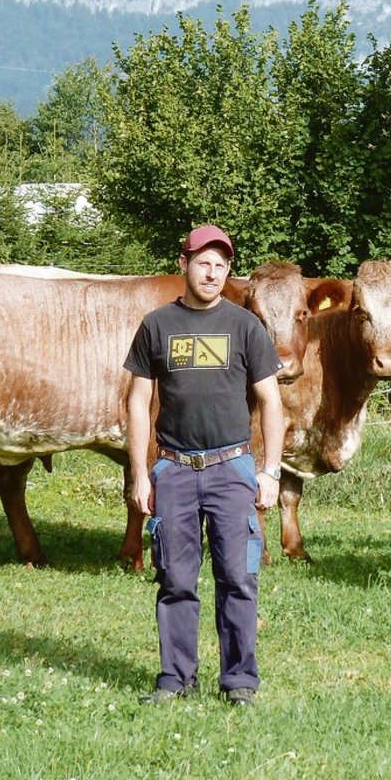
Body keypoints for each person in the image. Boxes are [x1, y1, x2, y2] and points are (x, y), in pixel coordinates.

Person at [124, 223, 285, 707]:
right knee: (175, 579)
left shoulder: (245, 327)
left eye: (220, 265)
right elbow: (138, 402)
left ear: (227, 270)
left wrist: (271, 470)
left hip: (232, 469)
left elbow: (271, 401)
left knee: (238, 578)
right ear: (184, 264)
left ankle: (239, 681)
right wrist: (140, 474)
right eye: (203, 263)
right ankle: (175, 679)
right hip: (173, 469)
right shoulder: (156, 325)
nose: (212, 273)